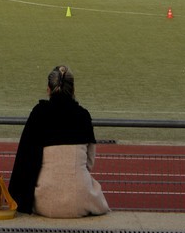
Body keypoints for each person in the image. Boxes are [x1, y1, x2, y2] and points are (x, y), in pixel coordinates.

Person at [7, 65, 109, 218]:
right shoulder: (83, 116)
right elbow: (89, 163)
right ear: (73, 90)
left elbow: (24, 159)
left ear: (48, 89)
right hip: (81, 201)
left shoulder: (39, 113)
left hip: (45, 204)